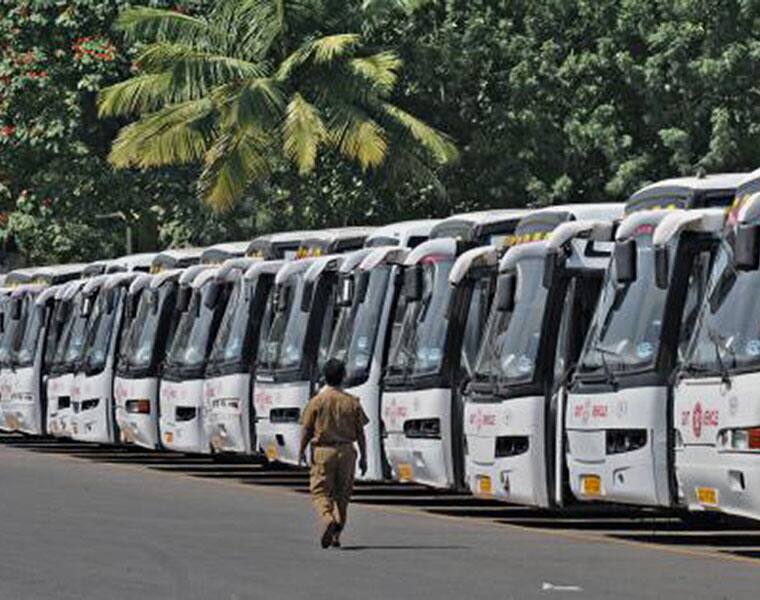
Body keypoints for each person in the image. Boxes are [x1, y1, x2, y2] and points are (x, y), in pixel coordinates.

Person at [299, 358, 369, 549]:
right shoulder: (352, 402)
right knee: (342, 496)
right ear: (343, 377)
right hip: (347, 452)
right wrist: (364, 457)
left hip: (323, 451)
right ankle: (337, 535)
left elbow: (306, 429)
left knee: (320, 492)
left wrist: (301, 451)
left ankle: (328, 519)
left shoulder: (317, 401)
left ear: (324, 376)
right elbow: (361, 432)